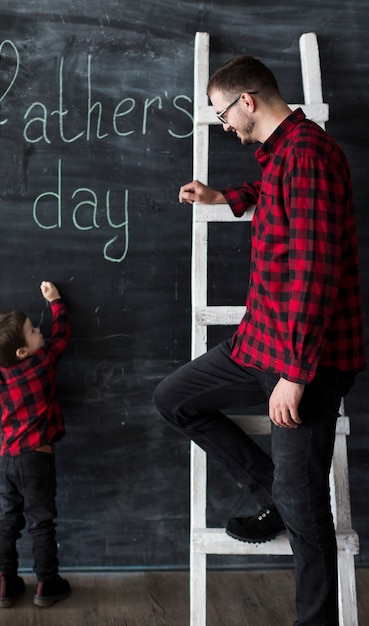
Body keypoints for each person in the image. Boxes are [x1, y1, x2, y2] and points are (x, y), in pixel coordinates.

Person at [153, 55, 365, 626]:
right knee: (174, 399)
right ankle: (267, 490)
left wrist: (294, 376)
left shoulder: (310, 156)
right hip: (260, 341)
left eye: (222, 113)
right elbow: (276, 194)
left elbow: (315, 274)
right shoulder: (284, 154)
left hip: (303, 359)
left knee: (305, 508)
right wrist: (224, 197)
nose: (223, 125)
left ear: (247, 101)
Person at [0, 281, 71, 609]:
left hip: (8, 461)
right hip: (37, 459)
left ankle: (5, 583)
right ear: (23, 351)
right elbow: (62, 335)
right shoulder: (43, 363)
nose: (38, 329)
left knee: (7, 520)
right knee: (41, 521)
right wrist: (55, 302)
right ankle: (46, 583)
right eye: (32, 331)